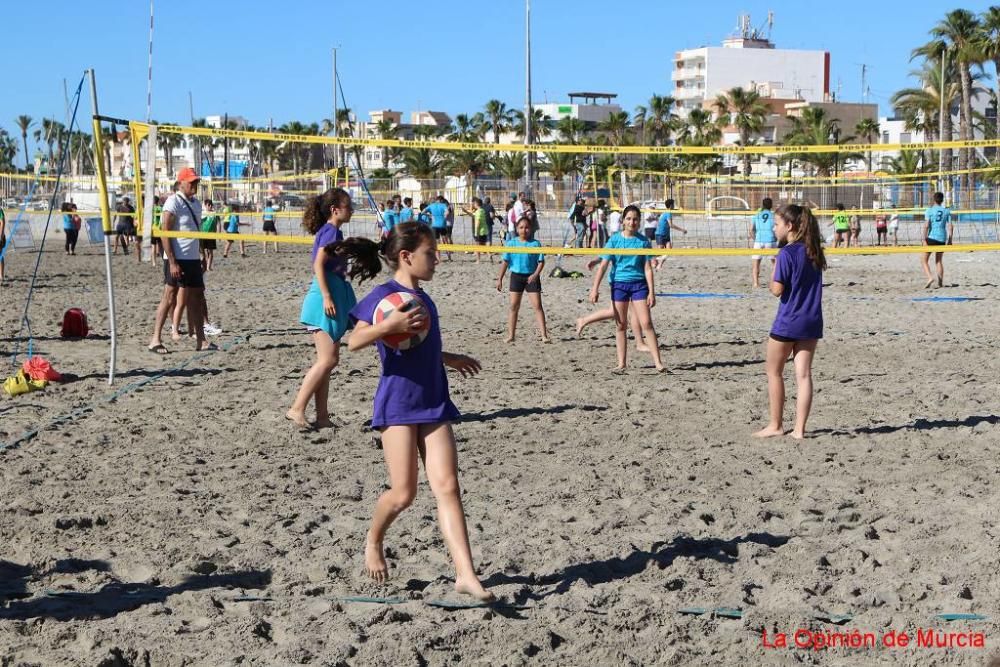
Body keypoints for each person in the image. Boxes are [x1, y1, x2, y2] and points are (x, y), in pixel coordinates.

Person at [347, 221, 493, 602]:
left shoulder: (426, 299)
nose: (437, 260)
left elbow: (419, 346)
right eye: (431, 253)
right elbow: (354, 341)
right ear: (406, 256)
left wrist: (449, 357)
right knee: (403, 493)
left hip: (433, 398)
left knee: (448, 486)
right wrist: (388, 325)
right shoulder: (383, 296)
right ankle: (374, 539)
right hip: (397, 403)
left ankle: (465, 574)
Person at [288, 188, 380, 429]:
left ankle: (322, 416)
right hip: (324, 297)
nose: (352, 210)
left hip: (334, 294)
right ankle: (297, 409)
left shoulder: (334, 232)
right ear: (335, 209)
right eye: (348, 206)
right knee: (327, 360)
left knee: (329, 360)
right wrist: (327, 297)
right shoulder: (329, 231)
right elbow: (318, 265)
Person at [754, 203, 826, 440]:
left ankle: (776, 425)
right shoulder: (814, 251)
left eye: (776, 224)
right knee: (804, 375)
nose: (774, 229)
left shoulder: (786, 253)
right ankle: (799, 430)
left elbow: (777, 290)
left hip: (788, 322)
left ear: (790, 226)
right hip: (811, 321)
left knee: (774, 372)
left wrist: (772, 276)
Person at [589, 204, 665, 372]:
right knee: (621, 325)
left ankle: (658, 363)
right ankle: (622, 364)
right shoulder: (615, 240)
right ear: (623, 221)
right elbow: (603, 266)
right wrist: (595, 288)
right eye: (629, 218)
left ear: (639, 222)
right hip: (619, 285)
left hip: (639, 285)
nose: (632, 222)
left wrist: (652, 292)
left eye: (635, 219)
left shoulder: (643, 241)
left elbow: (647, 269)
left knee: (646, 323)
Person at [148, 167, 214, 353]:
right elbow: (164, 233)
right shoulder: (173, 201)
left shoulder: (196, 203)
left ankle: (201, 340)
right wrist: (173, 261)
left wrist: (200, 254)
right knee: (169, 297)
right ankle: (155, 339)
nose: (195, 185)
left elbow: (195, 231)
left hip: (192, 258)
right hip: (177, 258)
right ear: (181, 183)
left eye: (196, 181)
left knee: (197, 297)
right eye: (192, 181)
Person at [496, 215, 550, 342]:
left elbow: (541, 262)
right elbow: (505, 262)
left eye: (526, 227)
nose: (524, 230)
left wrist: (535, 274)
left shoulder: (535, 244)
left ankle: (544, 336)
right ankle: (511, 336)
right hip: (516, 277)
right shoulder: (511, 243)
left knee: (537, 306)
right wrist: (500, 279)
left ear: (530, 229)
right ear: (516, 228)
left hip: (532, 277)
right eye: (521, 227)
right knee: (514, 306)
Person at [922, 191, 953, 289]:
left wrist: (924, 238)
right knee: (939, 260)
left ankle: (930, 277)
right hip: (942, 238)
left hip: (931, 237)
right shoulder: (946, 211)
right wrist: (950, 239)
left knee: (923, 260)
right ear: (942, 200)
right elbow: (951, 226)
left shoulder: (929, 210)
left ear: (934, 199)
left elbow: (926, 225)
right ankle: (940, 283)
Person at [750, 197, 776, 288]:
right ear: (771, 206)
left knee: (756, 263)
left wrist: (755, 239)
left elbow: (751, 230)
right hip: (770, 240)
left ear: (762, 205)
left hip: (758, 240)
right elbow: (777, 228)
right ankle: (774, 283)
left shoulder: (757, 215)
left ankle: (756, 283)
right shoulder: (774, 215)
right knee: (775, 264)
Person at [653, 199, 687, 270]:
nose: (674, 206)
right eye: (673, 204)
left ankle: (660, 265)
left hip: (666, 234)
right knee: (660, 252)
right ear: (671, 205)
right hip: (660, 234)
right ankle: (650, 258)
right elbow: (671, 225)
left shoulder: (666, 212)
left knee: (669, 250)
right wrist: (682, 230)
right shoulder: (668, 213)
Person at [462, 197, 491, 263]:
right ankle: (489, 255)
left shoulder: (478, 212)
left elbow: (477, 222)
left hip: (480, 231)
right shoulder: (482, 210)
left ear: (477, 204)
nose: (473, 205)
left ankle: (478, 260)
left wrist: (476, 232)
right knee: (484, 245)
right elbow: (473, 215)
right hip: (485, 230)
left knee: (477, 246)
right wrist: (466, 211)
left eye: (474, 203)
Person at [425, 195, 450, 260]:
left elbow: (423, 212)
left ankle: (439, 258)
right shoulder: (443, 205)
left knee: (437, 243)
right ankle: (449, 257)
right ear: (441, 200)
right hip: (442, 225)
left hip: (434, 226)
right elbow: (447, 212)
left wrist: (430, 215)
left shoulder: (431, 205)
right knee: (445, 241)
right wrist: (444, 216)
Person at [200, 199, 219, 271]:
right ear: (205, 205)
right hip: (203, 235)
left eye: (211, 205)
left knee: (210, 252)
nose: (210, 206)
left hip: (211, 235)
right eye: (208, 205)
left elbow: (217, 224)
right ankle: (204, 265)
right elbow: (199, 223)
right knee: (202, 252)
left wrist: (218, 233)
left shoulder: (214, 214)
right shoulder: (202, 214)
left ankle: (208, 267)